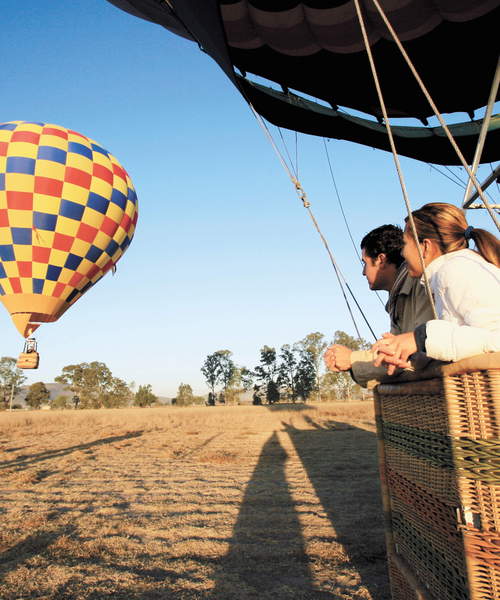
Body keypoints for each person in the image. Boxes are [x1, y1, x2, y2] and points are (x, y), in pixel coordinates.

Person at [372, 203, 500, 374]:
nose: (402, 253)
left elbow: (496, 340)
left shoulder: (455, 270)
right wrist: (410, 355)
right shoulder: (450, 270)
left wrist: (420, 338)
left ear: (425, 246)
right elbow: (469, 343)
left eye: (405, 245)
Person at [324, 224, 434, 386]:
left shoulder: (420, 283)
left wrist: (352, 359)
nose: (363, 272)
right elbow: (395, 353)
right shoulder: (398, 295)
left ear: (381, 260)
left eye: (365, 263)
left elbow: (420, 354)